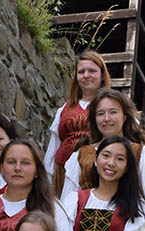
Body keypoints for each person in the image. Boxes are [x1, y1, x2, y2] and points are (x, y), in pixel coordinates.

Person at [61, 88, 145, 231]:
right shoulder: (81, 155)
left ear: (124, 116)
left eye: (113, 112)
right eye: (100, 114)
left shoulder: (140, 154)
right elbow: (68, 198)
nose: (106, 118)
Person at [44, 50, 111, 195]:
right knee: (65, 207)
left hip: (94, 172)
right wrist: (46, 180)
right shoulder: (64, 109)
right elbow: (54, 145)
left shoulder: (111, 107)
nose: (86, 75)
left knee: (91, 207)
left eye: (92, 71)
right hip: (62, 171)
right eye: (81, 72)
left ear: (102, 76)